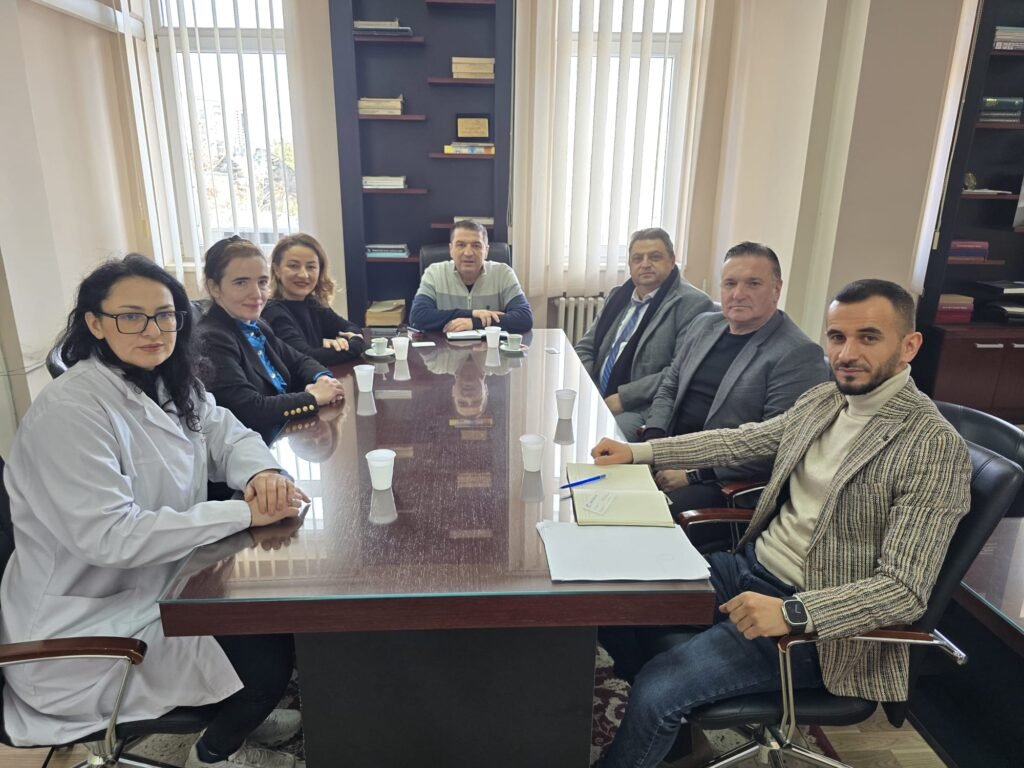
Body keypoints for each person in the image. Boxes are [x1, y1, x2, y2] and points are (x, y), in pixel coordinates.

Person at [590, 279, 972, 768]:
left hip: (818, 627)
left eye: (869, 337)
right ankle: (676, 739)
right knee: (611, 599)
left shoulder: (931, 446)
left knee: (657, 691)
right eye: (837, 337)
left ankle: (662, 714)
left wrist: (793, 612)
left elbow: (904, 590)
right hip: (749, 569)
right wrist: (639, 451)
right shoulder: (825, 400)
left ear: (909, 345)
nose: (847, 353)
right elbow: (739, 441)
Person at [0, 255, 310, 768]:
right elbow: (111, 537)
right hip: (85, 628)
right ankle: (215, 751)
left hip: (158, 585)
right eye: (131, 316)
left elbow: (226, 433)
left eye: (165, 315)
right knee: (266, 658)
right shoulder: (70, 411)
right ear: (95, 323)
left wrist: (262, 475)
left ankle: (239, 709)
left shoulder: (168, 382)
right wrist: (242, 514)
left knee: (267, 615)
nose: (152, 330)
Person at [642, 242, 828, 511]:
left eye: (753, 284)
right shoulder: (704, 325)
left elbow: (773, 447)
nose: (738, 294)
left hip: (722, 483)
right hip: (668, 454)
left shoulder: (798, 354)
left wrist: (693, 473)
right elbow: (670, 386)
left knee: (640, 515)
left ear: (776, 290)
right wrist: (653, 443)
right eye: (730, 284)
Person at [197, 236, 345, 436]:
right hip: (253, 443)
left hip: (284, 432)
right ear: (214, 287)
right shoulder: (211, 338)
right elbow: (249, 409)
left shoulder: (258, 325)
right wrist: (313, 398)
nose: (257, 294)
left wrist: (323, 380)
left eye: (262, 282)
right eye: (241, 282)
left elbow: (300, 360)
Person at [575, 228, 714, 437]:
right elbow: (585, 347)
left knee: (605, 437)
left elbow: (679, 371)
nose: (645, 264)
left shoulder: (692, 303)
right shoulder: (618, 296)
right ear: (630, 265)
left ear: (672, 261)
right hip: (597, 392)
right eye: (638, 258)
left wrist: (623, 398)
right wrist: (589, 387)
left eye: (655, 257)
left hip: (643, 407)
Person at [409, 220, 533, 333]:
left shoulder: (503, 273)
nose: (468, 253)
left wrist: (474, 323)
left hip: (490, 348)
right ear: (451, 249)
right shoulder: (434, 273)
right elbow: (417, 318)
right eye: (461, 245)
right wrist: (473, 313)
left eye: (476, 245)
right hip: (444, 348)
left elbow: (524, 318)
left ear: (486, 251)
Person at [262, 232, 366, 365]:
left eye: (311, 267)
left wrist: (342, 342)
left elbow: (351, 328)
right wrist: (356, 343)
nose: (303, 274)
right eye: (293, 266)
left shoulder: (312, 303)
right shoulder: (272, 311)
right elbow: (306, 358)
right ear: (277, 269)